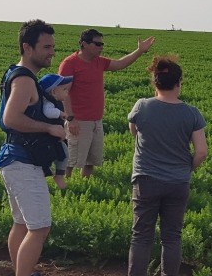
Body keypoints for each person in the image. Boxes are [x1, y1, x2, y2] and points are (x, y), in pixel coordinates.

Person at [122, 55, 207, 276]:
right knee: (172, 237)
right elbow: (201, 151)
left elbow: (133, 131)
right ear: (179, 83)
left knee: (141, 236)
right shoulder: (191, 113)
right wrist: (185, 169)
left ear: (155, 82)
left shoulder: (142, 107)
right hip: (177, 182)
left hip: (146, 180)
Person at [0, 19, 65, 276]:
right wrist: (48, 129)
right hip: (23, 163)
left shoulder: (17, 73)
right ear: (28, 47)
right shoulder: (23, 79)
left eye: (52, 46)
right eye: (46, 47)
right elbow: (11, 119)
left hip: (14, 160)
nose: (52, 52)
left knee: (21, 224)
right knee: (39, 227)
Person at [58, 29, 155, 179]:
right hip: (78, 121)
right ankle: (65, 187)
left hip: (96, 120)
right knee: (72, 160)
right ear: (84, 44)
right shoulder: (70, 64)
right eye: (97, 44)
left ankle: (85, 184)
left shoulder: (99, 62)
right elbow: (63, 93)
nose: (101, 47)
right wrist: (71, 119)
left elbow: (120, 64)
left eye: (102, 44)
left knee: (91, 160)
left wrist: (139, 51)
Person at [37, 74, 74, 189]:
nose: (67, 92)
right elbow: (48, 112)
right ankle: (57, 176)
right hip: (48, 138)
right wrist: (61, 113)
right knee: (60, 155)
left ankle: (56, 175)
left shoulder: (55, 102)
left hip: (55, 137)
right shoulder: (48, 103)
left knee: (62, 154)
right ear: (53, 92)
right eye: (64, 89)